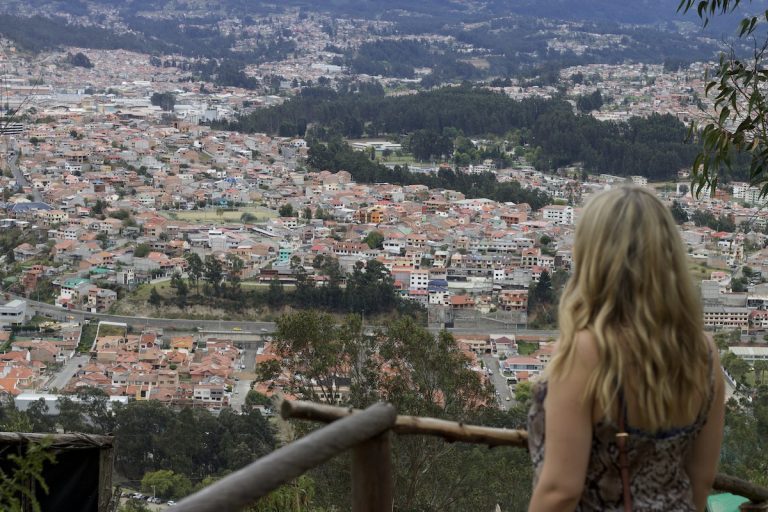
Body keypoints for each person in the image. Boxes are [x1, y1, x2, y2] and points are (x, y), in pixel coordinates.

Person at [527, 186, 725, 512]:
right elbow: (701, 479)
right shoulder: (704, 353)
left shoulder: (588, 351)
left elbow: (560, 491)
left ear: (593, 255)